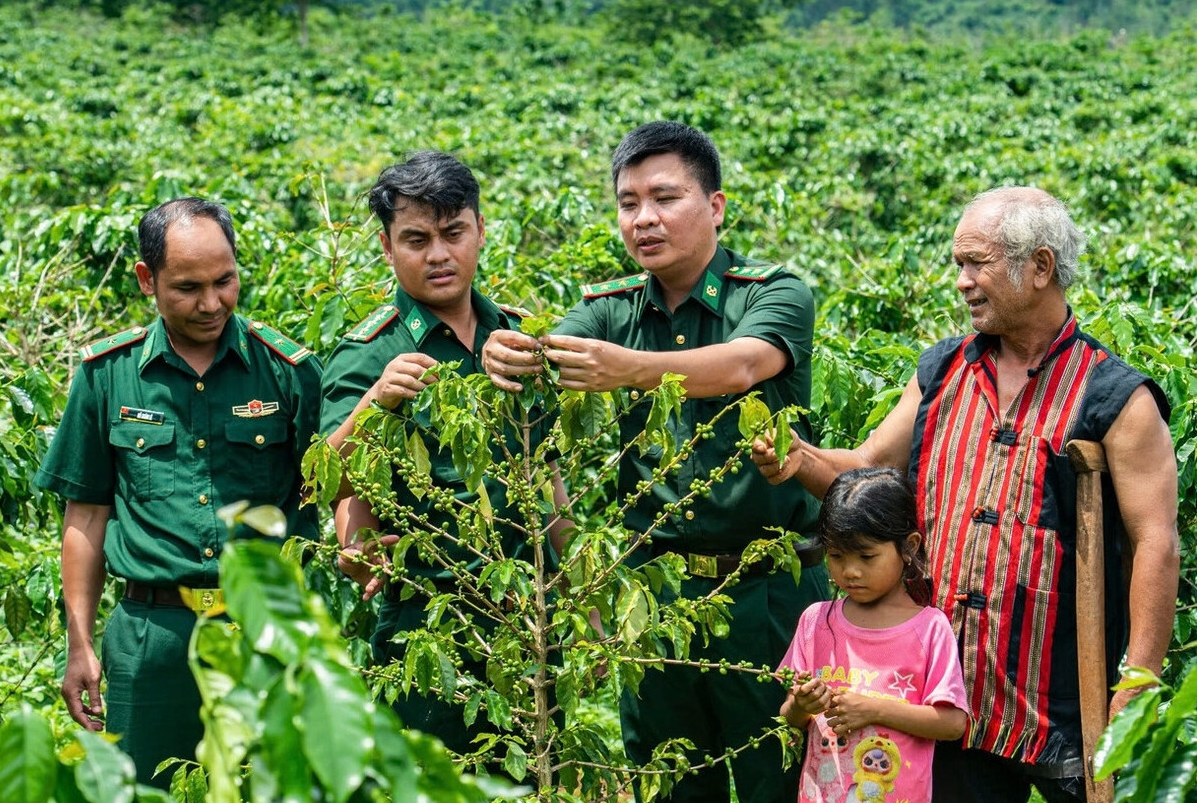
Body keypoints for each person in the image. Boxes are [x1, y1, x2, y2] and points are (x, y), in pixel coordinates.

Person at [755, 187, 1180, 802]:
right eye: (960, 264)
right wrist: (802, 460)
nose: (962, 282)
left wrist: (1136, 680)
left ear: (1040, 267)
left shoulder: (1115, 397)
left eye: (976, 263)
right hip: (943, 690)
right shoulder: (942, 372)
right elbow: (868, 467)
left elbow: (1155, 544)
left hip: (1056, 695)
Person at [483, 120, 828, 803]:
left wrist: (628, 370)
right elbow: (545, 363)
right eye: (627, 202)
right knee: (662, 780)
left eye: (664, 198)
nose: (643, 218)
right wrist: (506, 354)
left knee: (784, 777)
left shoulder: (773, 293)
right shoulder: (608, 312)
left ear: (716, 207)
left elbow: (740, 366)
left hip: (769, 592)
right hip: (657, 593)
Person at [34, 197, 322, 786]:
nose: (211, 303)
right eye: (188, 287)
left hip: (263, 629)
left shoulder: (288, 372)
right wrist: (80, 643)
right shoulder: (105, 375)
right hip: (150, 637)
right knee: (142, 789)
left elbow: (326, 493)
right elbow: (86, 516)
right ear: (147, 280)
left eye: (225, 281)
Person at [319, 150, 570, 755]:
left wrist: (582, 610)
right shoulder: (366, 355)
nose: (438, 254)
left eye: (454, 233)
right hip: (427, 624)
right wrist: (376, 404)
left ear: (480, 231)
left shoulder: (518, 338)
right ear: (387, 248)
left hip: (530, 618)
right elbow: (327, 481)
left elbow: (552, 485)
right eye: (416, 239)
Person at [780, 467, 969, 803]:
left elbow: (952, 723)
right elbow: (790, 716)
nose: (850, 571)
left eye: (867, 557)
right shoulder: (815, 622)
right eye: (836, 556)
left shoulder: (929, 628)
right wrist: (801, 704)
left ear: (908, 547)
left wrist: (874, 710)